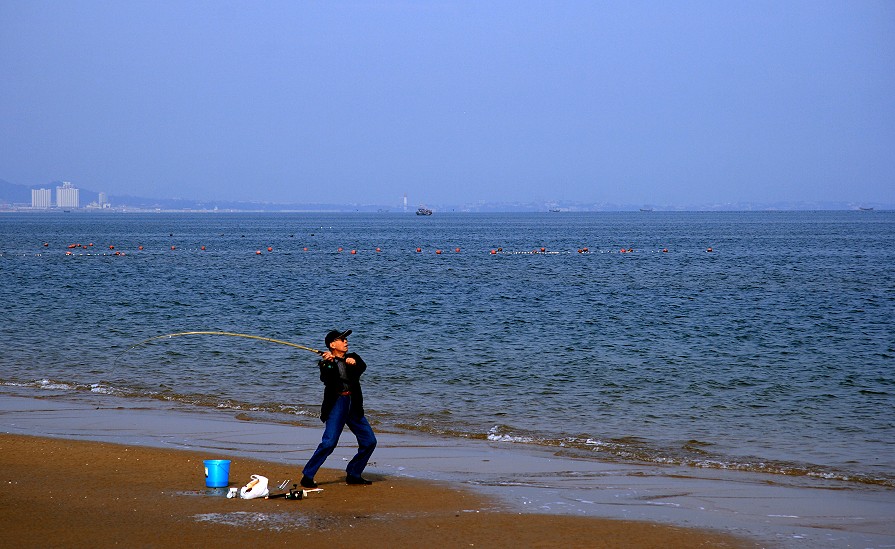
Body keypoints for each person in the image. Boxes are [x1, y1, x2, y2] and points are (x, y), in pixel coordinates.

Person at [300, 329, 377, 487]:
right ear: (332, 345)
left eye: (345, 339)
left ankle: (354, 474)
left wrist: (353, 363)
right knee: (329, 443)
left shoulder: (353, 357)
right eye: (342, 339)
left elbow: (361, 367)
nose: (346, 341)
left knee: (369, 441)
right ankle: (307, 476)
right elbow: (326, 378)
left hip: (353, 404)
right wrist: (329, 362)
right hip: (337, 404)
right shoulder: (326, 362)